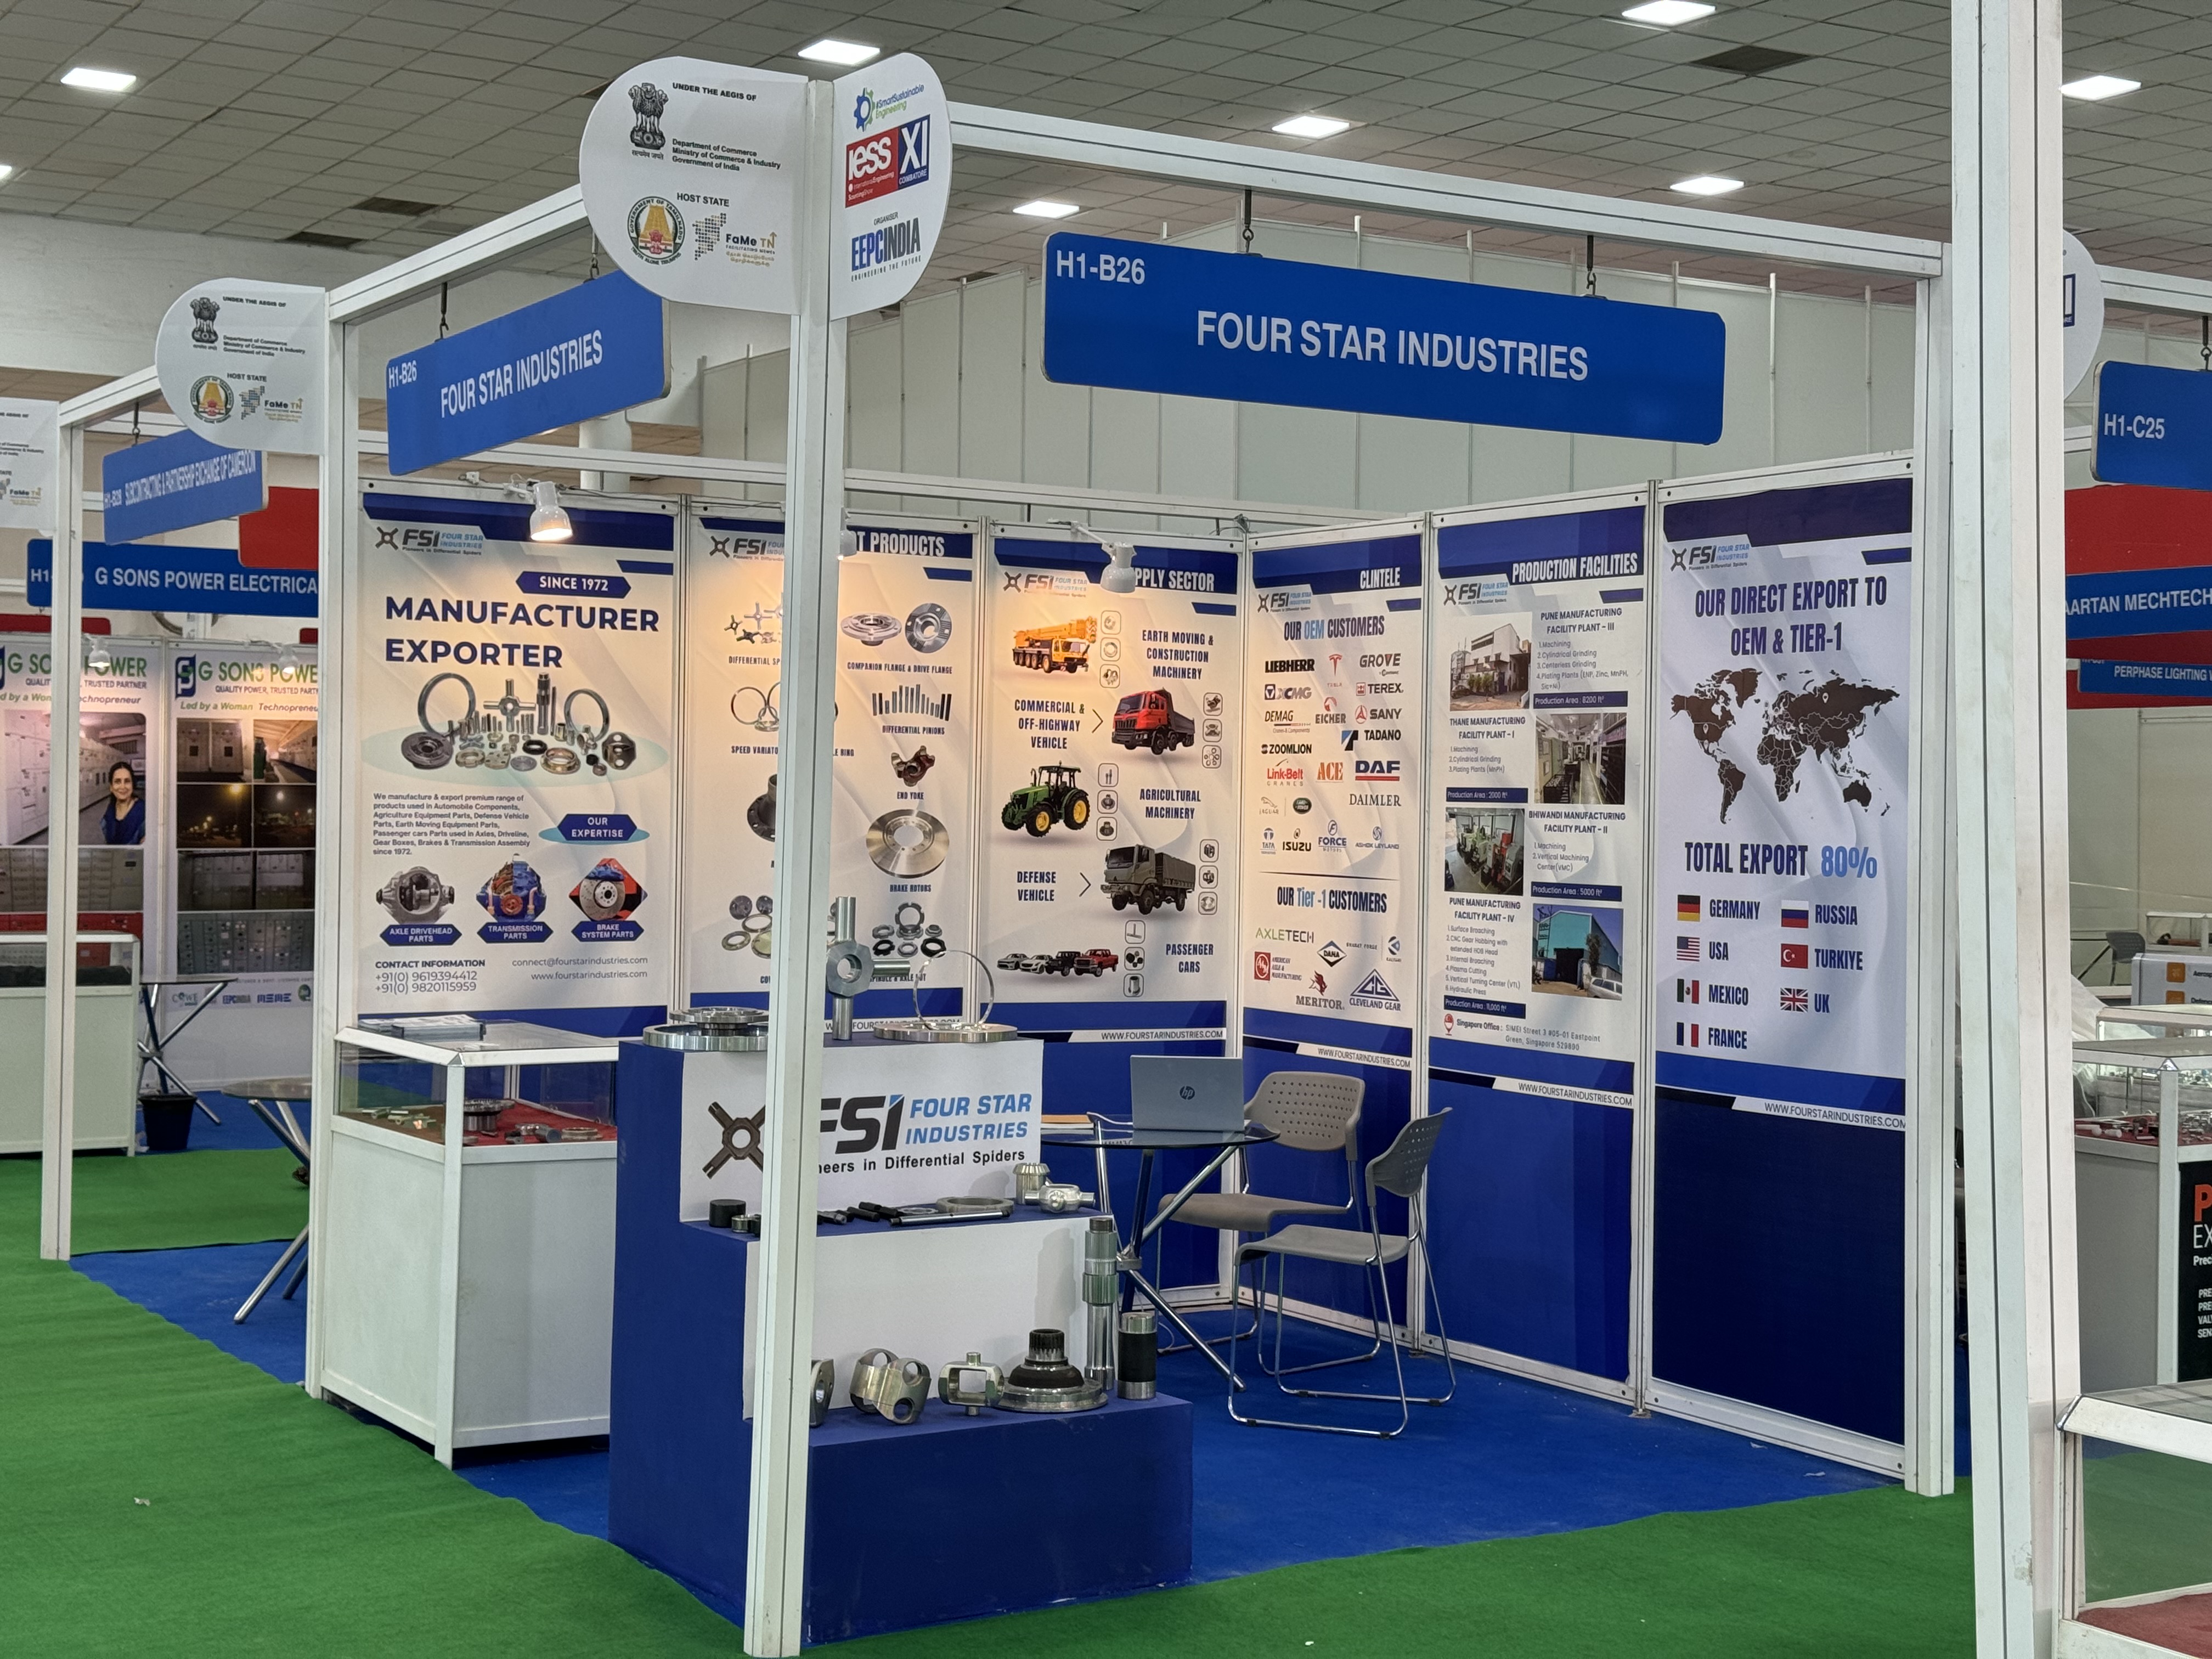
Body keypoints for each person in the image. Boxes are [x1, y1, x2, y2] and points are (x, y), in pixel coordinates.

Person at [100, 760, 144, 846]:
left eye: (127, 781)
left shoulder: (143, 812)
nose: (123, 787)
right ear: (111, 787)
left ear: (133, 785)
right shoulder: (111, 810)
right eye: (117, 782)